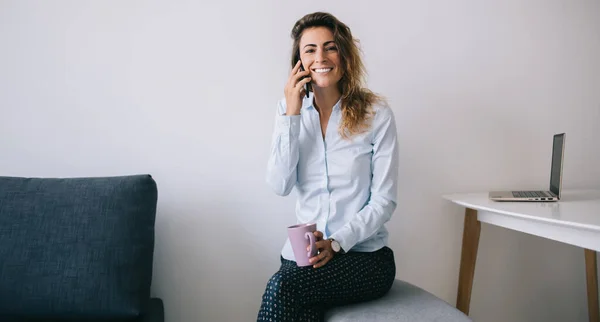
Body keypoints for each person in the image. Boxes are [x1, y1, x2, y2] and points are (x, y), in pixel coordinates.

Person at [258, 11, 399, 322]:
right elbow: (279, 185)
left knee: (284, 287)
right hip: (304, 259)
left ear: (344, 55)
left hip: (365, 259)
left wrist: (337, 242)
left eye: (330, 47)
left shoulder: (377, 114)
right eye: (310, 49)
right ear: (299, 60)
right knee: (298, 304)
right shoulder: (287, 111)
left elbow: (384, 201)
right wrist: (292, 116)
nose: (320, 57)